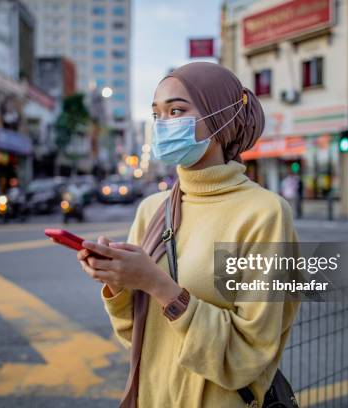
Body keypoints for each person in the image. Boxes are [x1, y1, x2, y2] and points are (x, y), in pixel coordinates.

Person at [74, 62, 300, 407]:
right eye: (157, 115)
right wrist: (118, 282)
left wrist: (158, 285)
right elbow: (136, 336)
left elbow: (249, 352)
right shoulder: (153, 209)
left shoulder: (263, 213)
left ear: (220, 116)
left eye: (176, 110)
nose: (164, 125)